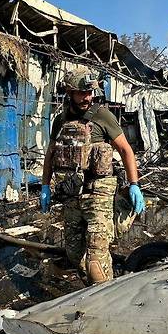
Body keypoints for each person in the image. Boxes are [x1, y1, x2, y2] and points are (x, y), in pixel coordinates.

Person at [41, 66, 145, 284]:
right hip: (71, 196)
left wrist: (134, 184)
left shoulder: (102, 115)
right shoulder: (60, 121)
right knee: (73, 253)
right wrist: (44, 186)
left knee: (96, 262)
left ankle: (106, 306)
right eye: (81, 93)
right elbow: (50, 154)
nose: (87, 97)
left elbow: (126, 149)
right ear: (69, 93)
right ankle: (90, 291)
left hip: (98, 194)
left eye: (90, 92)